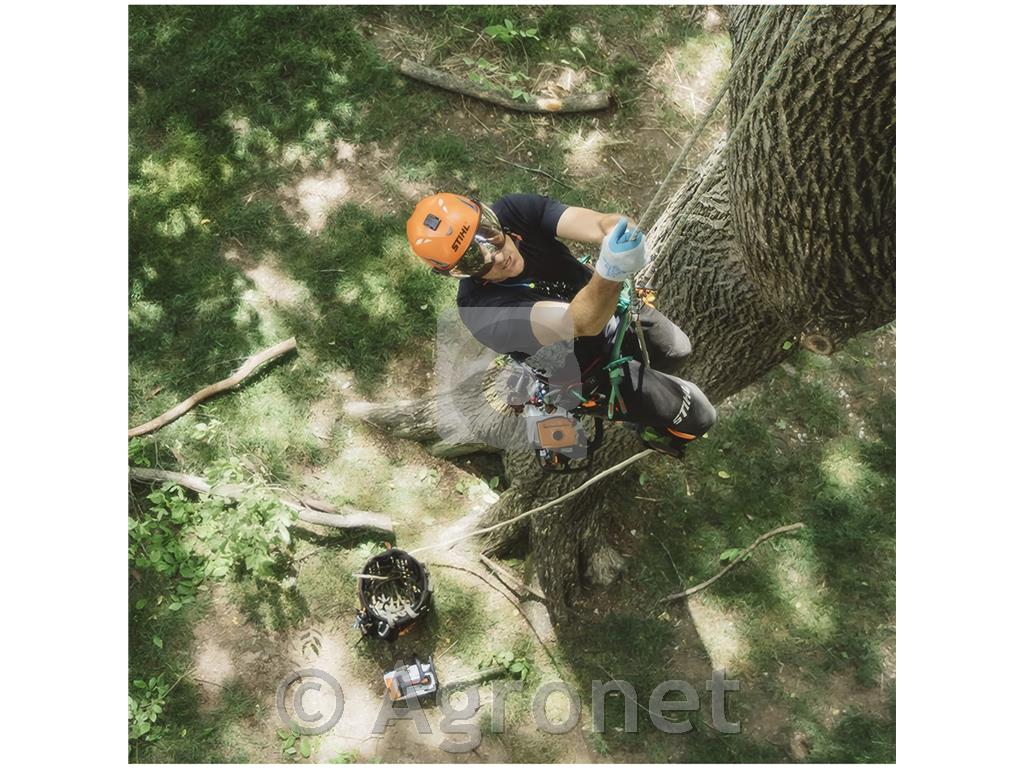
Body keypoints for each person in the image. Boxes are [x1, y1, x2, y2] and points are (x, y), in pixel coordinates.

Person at [405, 192, 715, 457]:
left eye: (488, 237)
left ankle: (645, 399)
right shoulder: (480, 311)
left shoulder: (514, 212)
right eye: (474, 260)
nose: (495, 257)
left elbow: (599, 223)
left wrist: (621, 232)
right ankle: (649, 427)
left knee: (678, 350)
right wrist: (611, 270)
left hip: (614, 311)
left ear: (491, 218)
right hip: (588, 369)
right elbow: (581, 322)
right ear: (457, 274)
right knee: (699, 416)